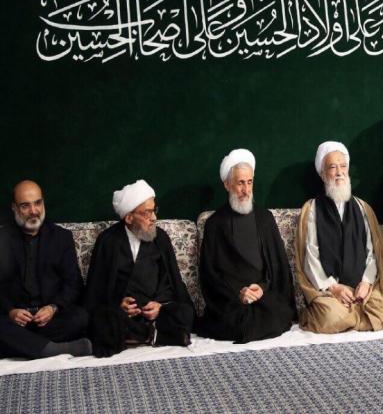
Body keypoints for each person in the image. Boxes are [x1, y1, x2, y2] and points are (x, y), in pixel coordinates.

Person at [295, 142, 383, 333]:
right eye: (332, 167)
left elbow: (373, 253)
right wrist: (334, 288)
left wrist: (366, 282)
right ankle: (357, 317)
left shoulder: (363, 208)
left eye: (343, 166)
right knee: (331, 316)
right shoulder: (312, 209)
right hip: (329, 292)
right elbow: (311, 257)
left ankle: (353, 315)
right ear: (322, 174)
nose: (339, 172)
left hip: (363, 290)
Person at [84, 180, 194, 357]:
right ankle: (153, 336)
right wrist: (119, 305)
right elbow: (95, 291)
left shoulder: (161, 238)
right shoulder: (108, 241)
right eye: (147, 213)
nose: (154, 218)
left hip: (157, 312)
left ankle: (139, 336)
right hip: (124, 315)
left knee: (184, 313)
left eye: (154, 210)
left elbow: (173, 282)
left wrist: (160, 307)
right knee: (103, 321)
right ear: (129, 217)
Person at [196, 149, 296, 343]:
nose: (246, 189)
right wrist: (238, 294)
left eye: (249, 182)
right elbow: (209, 275)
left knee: (276, 313)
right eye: (240, 183)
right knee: (237, 321)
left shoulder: (265, 219)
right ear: (227, 184)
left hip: (263, 297)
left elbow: (279, 268)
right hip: (231, 301)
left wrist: (262, 288)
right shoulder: (214, 224)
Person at [0, 180, 91, 359]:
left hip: (49, 319)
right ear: (14, 208)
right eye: (25, 206)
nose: (34, 211)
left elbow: (73, 284)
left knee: (80, 317)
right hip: (15, 320)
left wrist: (53, 308)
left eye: (38, 203)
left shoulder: (61, 237)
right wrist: (11, 311)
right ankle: (55, 349)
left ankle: (25, 345)